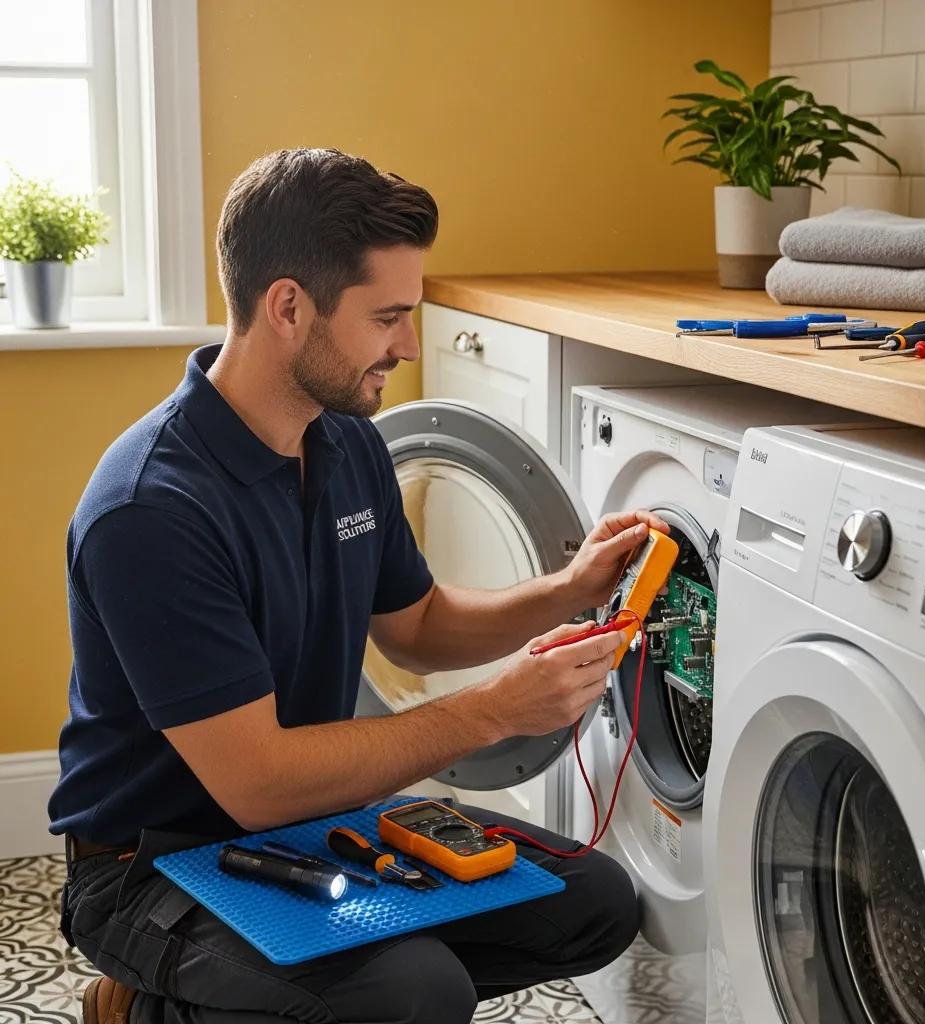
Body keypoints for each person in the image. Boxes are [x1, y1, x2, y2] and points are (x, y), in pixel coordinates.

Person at [49, 148, 666, 1024]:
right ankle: (143, 1005)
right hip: (150, 866)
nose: (408, 347)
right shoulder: (151, 509)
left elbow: (415, 623)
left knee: (594, 903)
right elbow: (256, 784)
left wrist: (569, 589)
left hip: (313, 823)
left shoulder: (344, 443)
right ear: (290, 307)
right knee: (413, 994)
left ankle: (302, 985)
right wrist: (493, 710)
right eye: (387, 318)